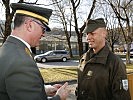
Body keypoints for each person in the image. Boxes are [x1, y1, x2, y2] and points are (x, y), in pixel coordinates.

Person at [0, 3, 70, 100]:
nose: (43, 34)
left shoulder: (8, 48)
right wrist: (59, 97)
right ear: (29, 25)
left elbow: (16, 88)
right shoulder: (21, 61)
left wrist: (43, 90)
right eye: (43, 28)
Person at [76, 18, 131, 100]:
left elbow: (122, 96)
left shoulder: (115, 63)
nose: (88, 37)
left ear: (104, 33)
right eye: (87, 34)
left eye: (92, 33)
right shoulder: (84, 58)